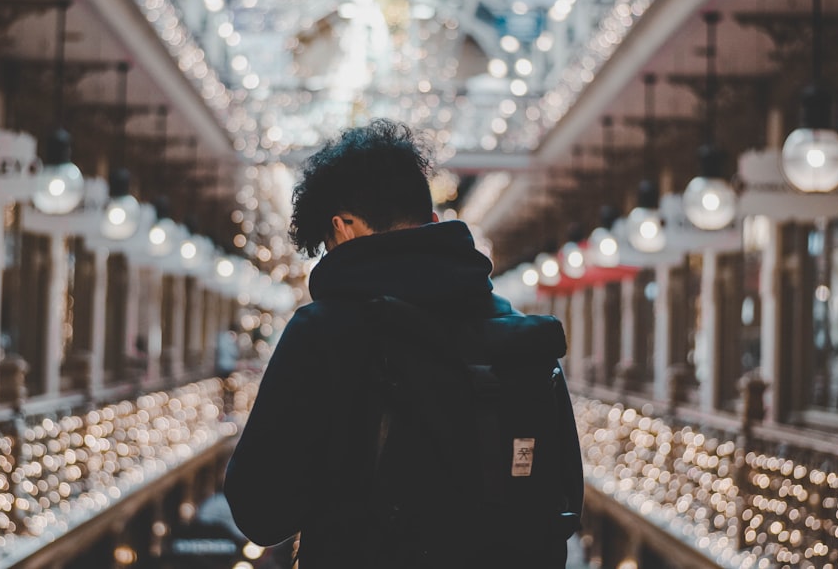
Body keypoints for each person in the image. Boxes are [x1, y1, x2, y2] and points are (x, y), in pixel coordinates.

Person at [223, 118, 582, 568]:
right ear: (432, 221)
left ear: (344, 226)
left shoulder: (324, 332)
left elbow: (261, 510)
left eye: (328, 242)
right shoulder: (514, 333)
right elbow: (563, 494)